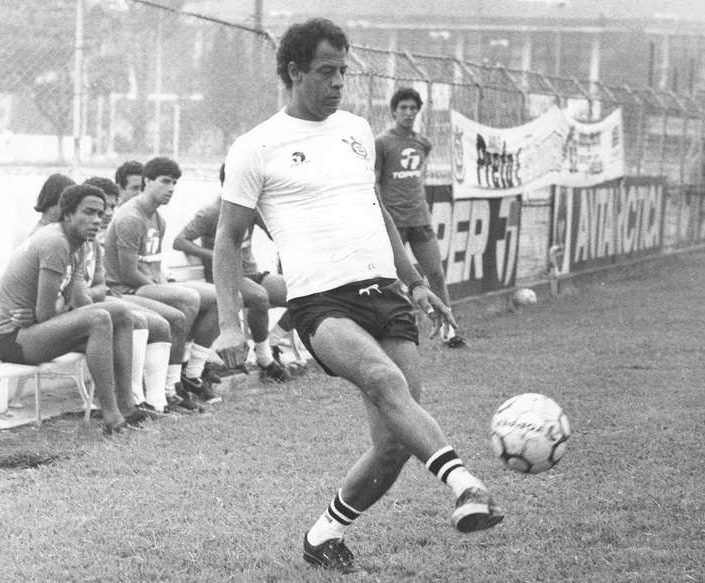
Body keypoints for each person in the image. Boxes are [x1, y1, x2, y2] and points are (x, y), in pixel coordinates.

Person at [212, 18, 503, 574]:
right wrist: (230, 324)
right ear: (294, 72)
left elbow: (379, 212)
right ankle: (466, 486)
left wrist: (416, 282)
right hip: (322, 304)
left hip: (385, 292)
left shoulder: (355, 130)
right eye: (326, 71)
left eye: (343, 71)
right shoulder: (257, 147)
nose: (339, 82)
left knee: (394, 442)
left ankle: (323, 535)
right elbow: (228, 241)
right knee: (385, 381)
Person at [0, 184, 157, 435]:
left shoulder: (81, 244)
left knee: (120, 313)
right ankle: (112, 418)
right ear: (67, 214)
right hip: (10, 339)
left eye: (99, 214)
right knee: (99, 319)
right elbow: (47, 314)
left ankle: (127, 406)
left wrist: (60, 311)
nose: (97, 220)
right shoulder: (55, 241)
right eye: (88, 212)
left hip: (33, 328)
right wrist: (55, 312)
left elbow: (78, 302)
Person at [103, 156, 222, 405]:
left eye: (175, 183)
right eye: (165, 181)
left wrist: (165, 283)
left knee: (219, 297)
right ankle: (171, 386)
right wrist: (164, 288)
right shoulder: (130, 217)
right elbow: (127, 273)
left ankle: (192, 374)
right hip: (125, 290)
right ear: (147, 181)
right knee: (187, 299)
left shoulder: (158, 219)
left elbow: (154, 266)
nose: (171, 189)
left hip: (147, 286)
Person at [172, 164, 292, 382]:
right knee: (259, 297)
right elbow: (179, 241)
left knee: (302, 291)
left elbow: (277, 234)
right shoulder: (211, 212)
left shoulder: (252, 209)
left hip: (252, 274)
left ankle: (272, 343)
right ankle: (265, 359)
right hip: (228, 278)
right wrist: (214, 255)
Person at [375, 87, 466, 348]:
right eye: (403, 108)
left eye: (413, 108)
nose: (408, 112)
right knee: (391, 279)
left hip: (420, 218)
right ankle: (391, 331)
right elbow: (375, 181)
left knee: (435, 273)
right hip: (394, 220)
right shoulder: (382, 142)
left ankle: (450, 331)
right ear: (393, 111)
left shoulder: (423, 142)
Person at [82, 176, 176, 414]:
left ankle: (157, 402)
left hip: (108, 297)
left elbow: (98, 282)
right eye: (94, 210)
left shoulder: (94, 238)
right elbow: (92, 286)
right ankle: (132, 401)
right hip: (113, 296)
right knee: (141, 319)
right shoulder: (77, 238)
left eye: (110, 207)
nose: (106, 214)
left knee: (163, 322)